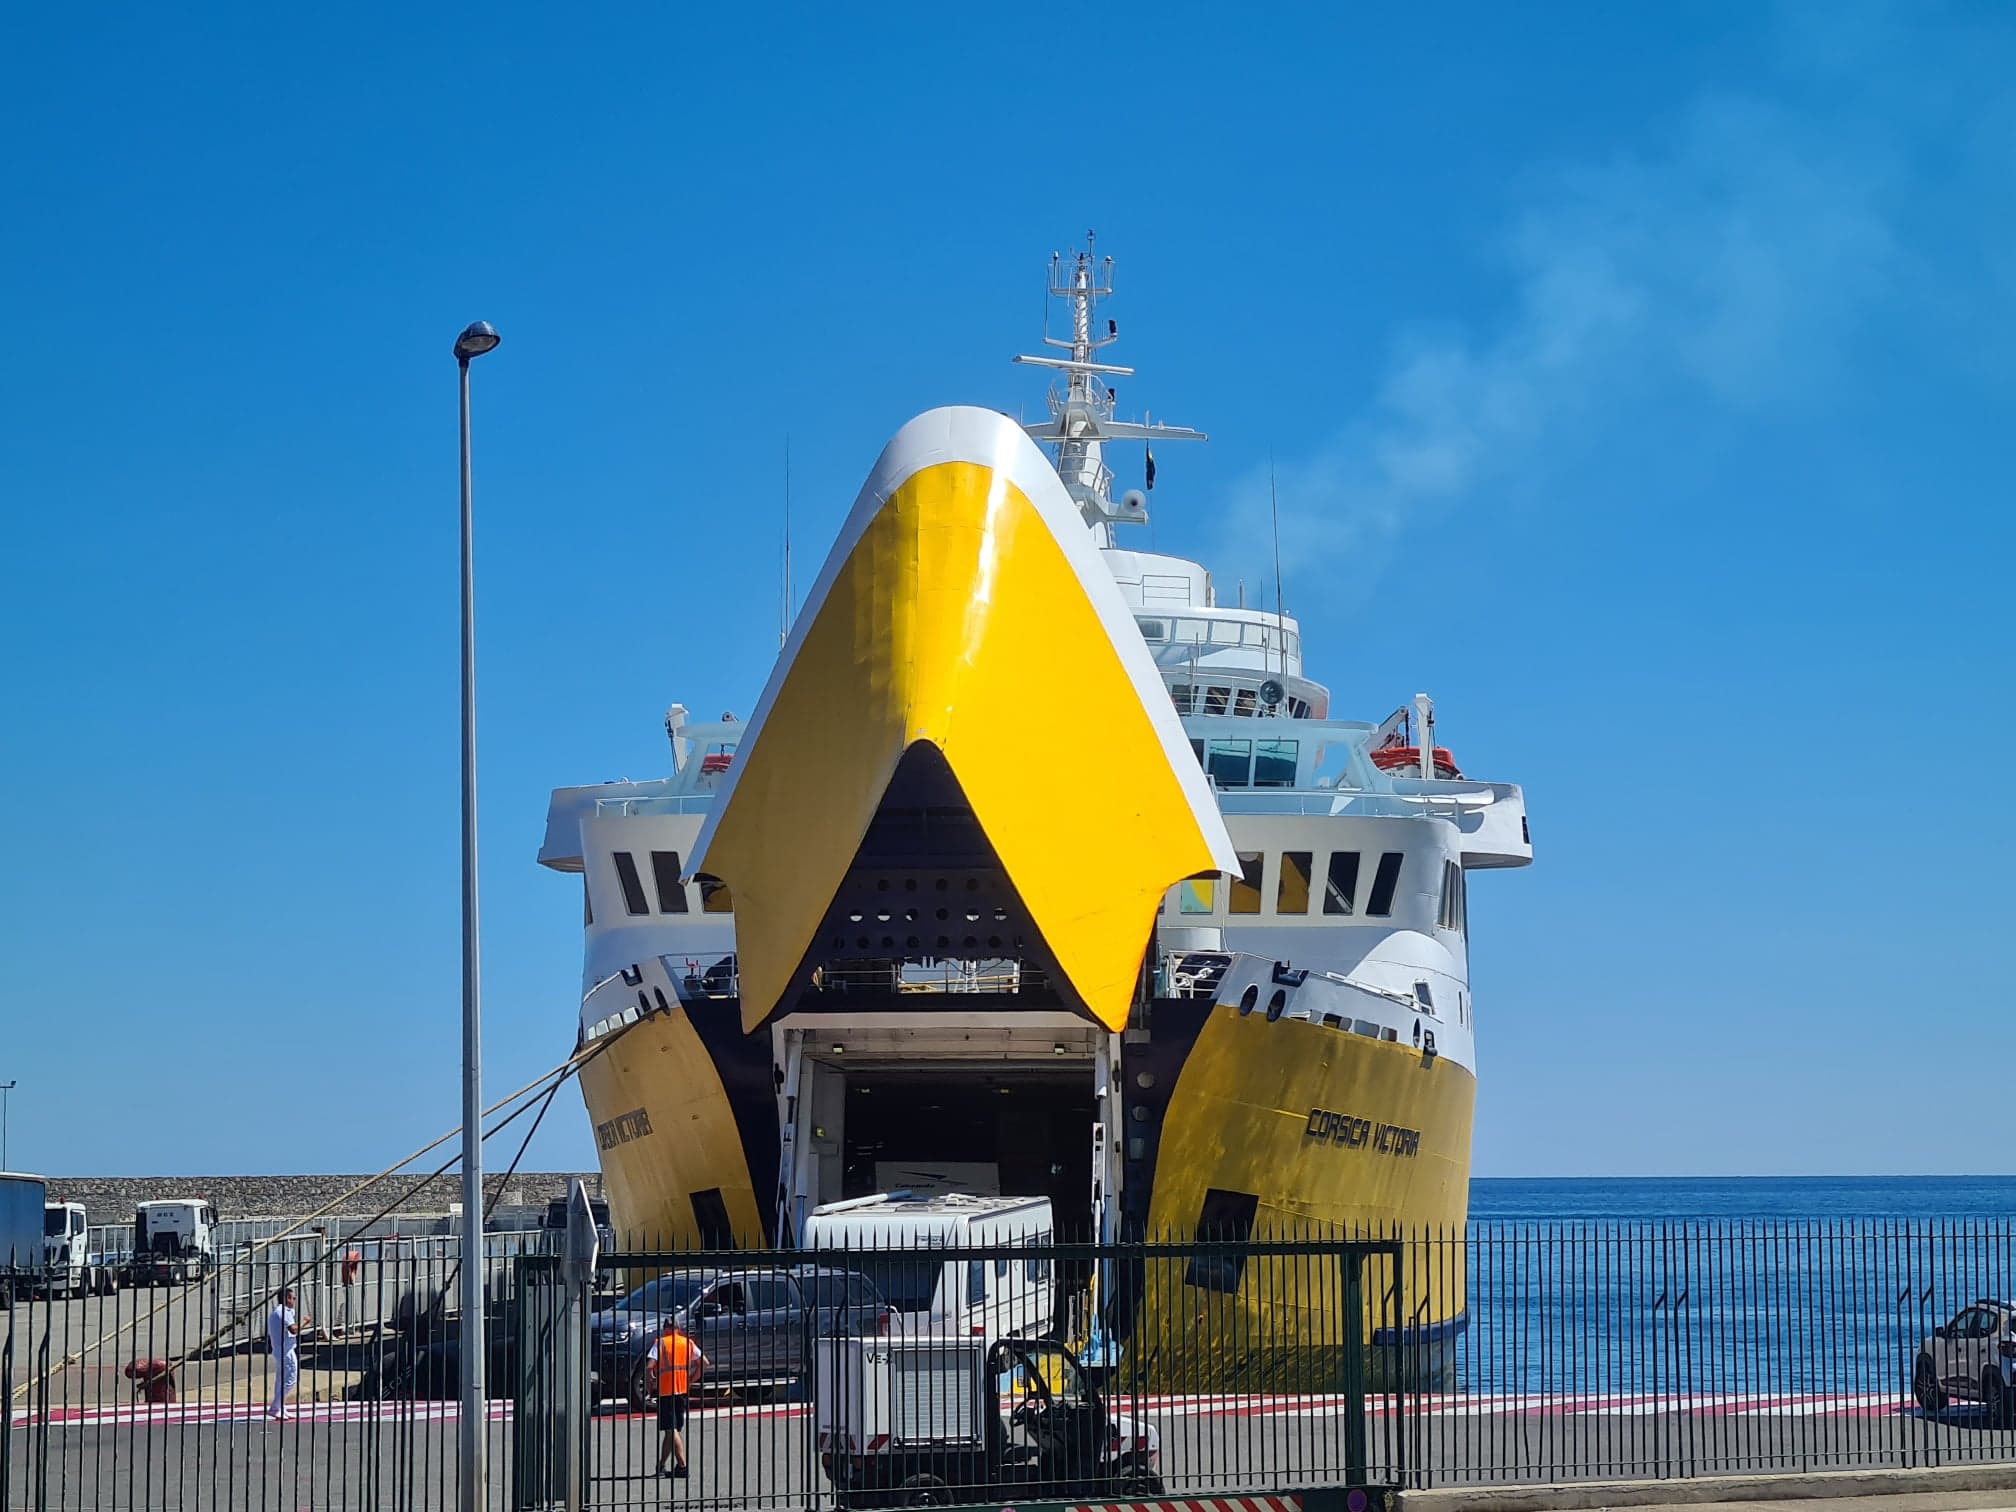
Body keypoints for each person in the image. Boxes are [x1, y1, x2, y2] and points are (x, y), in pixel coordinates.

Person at [647, 1322, 709, 1479]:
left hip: (666, 1391)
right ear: (678, 1328)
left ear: (665, 1329)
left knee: (671, 1429)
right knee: (671, 1431)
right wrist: (691, 1380)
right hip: (682, 1390)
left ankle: (682, 1466)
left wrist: (649, 1385)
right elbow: (705, 1363)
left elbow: (649, 1367)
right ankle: (661, 1466)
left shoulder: (660, 1342)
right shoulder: (687, 1343)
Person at [266, 1286, 307, 1420]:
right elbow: (293, 1329)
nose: (294, 1300)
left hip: (280, 1350)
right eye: (293, 1298)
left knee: (281, 1380)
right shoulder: (283, 1312)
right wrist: (305, 1322)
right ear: (287, 1298)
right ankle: (275, 1407)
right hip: (286, 1351)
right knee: (290, 1380)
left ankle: (280, 1407)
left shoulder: (279, 1312)